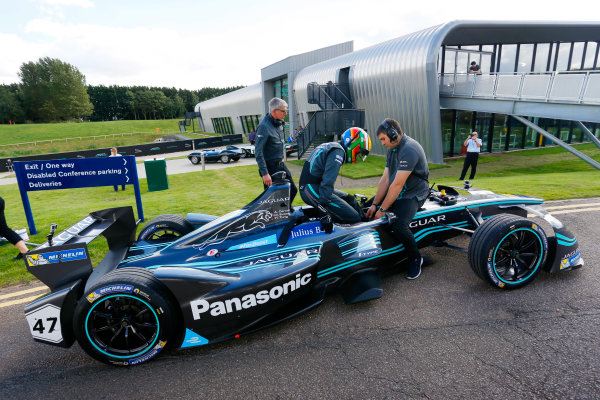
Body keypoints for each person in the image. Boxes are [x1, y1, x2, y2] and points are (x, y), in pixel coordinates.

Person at [365, 118, 429, 280]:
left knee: (399, 226)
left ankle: (415, 257)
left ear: (393, 135)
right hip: (399, 191)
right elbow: (386, 180)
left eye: (383, 139)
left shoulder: (409, 149)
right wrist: (374, 205)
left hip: (413, 194)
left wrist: (382, 209)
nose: (383, 143)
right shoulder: (392, 149)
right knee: (366, 209)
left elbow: (397, 186)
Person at [299, 127, 371, 224]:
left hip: (312, 186)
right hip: (311, 189)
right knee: (354, 218)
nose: (357, 155)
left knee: (351, 199)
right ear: (352, 143)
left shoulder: (333, 146)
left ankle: (365, 220)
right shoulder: (338, 152)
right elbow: (328, 182)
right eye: (358, 151)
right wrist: (323, 210)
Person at [255, 97, 297, 205]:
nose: (286, 113)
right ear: (274, 111)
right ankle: (272, 218)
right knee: (271, 198)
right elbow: (258, 152)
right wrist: (265, 173)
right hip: (270, 167)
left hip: (280, 164)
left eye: (286, 111)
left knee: (292, 190)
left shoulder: (279, 123)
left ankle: (284, 213)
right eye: (283, 111)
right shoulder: (264, 127)